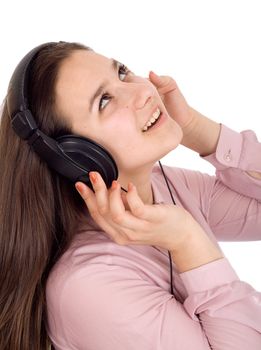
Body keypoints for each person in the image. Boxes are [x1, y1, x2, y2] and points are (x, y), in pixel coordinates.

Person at [0, 41, 260, 350]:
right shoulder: (90, 286)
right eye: (105, 100)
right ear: (78, 156)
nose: (144, 91)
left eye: (122, 72)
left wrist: (196, 129)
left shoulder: (166, 186)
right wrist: (188, 242)